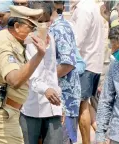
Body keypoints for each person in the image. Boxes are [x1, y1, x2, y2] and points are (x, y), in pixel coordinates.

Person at [0, 5, 60, 144]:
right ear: (17, 26)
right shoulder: (6, 45)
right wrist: (39, 55)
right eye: (31, 27)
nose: (34, 31)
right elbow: (15, 80)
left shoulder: (1, 36)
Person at [20, 1, 62, 144]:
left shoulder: (52, 39)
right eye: (39, 21)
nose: (43, 25)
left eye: (46, 21)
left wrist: (55, 92)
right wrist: (46, 89)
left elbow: (51, 72)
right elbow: (30, 75)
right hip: (32, 106)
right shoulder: (26, 42)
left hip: (53, 105)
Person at [70, 0, 106, 143]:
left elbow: (77, 41)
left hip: (84, 64)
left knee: (82, 106)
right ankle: (103, 137)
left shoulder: (84, 9)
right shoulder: (92, 6)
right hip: (93, 63)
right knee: (86, 104)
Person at [50, 1, 81, 143]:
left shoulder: (60, 29)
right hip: (55, 101)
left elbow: (67, 64)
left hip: (64, 101)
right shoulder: (52, 27)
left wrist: (45, 78)